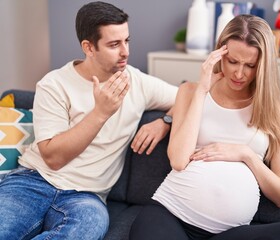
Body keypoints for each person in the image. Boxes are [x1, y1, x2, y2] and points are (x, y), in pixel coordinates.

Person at [0, 1, 177, 239]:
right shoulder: (54, 84)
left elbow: (190, 95)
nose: (126, 52)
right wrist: (101, 112)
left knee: (89, 227)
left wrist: (165, 121)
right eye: (114, 44)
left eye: (127, 40)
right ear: (89, 47)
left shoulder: (137, 82)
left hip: (86, 197)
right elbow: (53, 158)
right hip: (33, 182)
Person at [130, 15, 280, 240]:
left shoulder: (276, 111)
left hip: (230, 234)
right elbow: (178, 160)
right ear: (219, 54)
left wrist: (246, 154)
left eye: (250, 65)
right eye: (233, 61)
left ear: (263, 66)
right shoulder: (190, 92)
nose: (238, 73)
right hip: (170, 214)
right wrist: (201, 90)